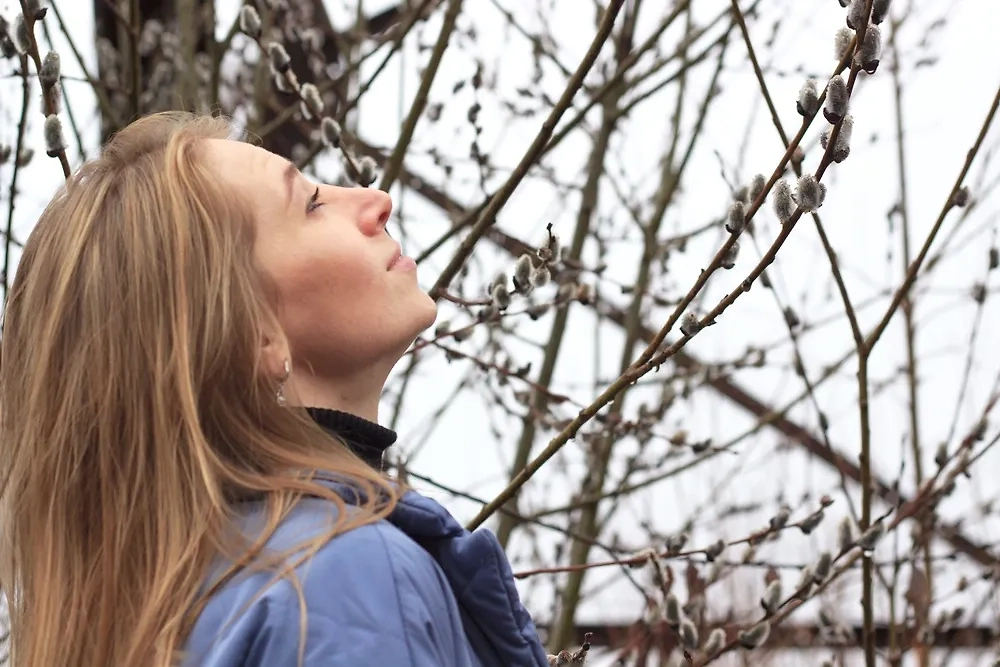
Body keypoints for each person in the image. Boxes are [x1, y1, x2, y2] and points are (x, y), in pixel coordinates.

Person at [0, 111, 550, 667]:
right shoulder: (342, 586)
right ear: (251, 331)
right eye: (311, 203)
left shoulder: (167, 616)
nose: (375, 200)